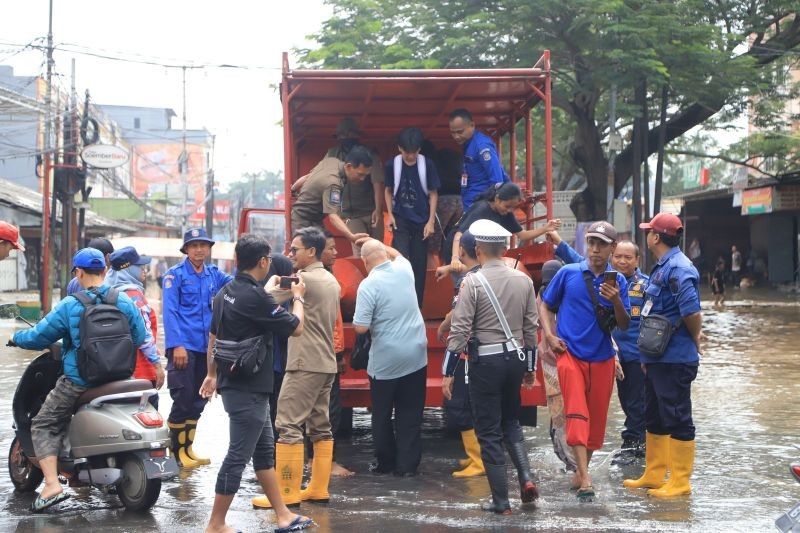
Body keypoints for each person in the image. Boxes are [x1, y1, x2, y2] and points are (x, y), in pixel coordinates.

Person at [11, 248, 146, 512]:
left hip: (80, 381)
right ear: (105, 271)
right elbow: (139, 338)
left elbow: (39, 336)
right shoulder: (124, 301)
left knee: (43, 423)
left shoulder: (71, 304)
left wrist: (16, 338)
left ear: (78, 272)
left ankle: (51, 485)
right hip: (121, 378)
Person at [199, 234, 313, 533]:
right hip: (248, 390)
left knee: (263, 454)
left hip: (239, 385)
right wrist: (298, 296)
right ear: (263, 261)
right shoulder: (257, 297)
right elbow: (297, 328)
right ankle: (216, 523)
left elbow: (213, 338)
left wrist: (212, 374)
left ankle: (283, 514)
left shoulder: (225, 292)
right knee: (238, 455)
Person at [443, 219, 539, 514]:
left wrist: (448, 371)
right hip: (515, 360)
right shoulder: (523, 280)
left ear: (480, 248)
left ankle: (501, 500)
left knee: (488, 430)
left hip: (486, 362)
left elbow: (459, 330)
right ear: (504, 247)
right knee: (510, 420)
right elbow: (531, 328)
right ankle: (525, 477)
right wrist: (530, 367)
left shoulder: (472, 281)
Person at [540, 221, 630, 501]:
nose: (595, 250)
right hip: (570, 356)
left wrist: (615, 301)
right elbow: (545, 304)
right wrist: (550, 335)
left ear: (612, 249)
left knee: (597, 421)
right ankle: (586, 477)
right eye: (591, 243)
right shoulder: (568, 273)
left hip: (603, 358)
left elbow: (624, 326)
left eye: (601, 245)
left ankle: (581, 470)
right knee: (576, 412)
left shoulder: (620, 282)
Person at [253, 227, 339, 509]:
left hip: (304, 363)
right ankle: (317, 488)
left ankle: (287, 491)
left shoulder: (301, 280)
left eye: (295, 250)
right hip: (326, 362)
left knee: (287, 424)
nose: (290, 254)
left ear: (311, 251)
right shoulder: (330, 279)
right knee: (320, 426)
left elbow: (263, 302)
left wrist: (273, 283)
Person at [548, 230, 649, 465]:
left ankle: (634, 447)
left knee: (632, 405)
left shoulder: (641, 286)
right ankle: (582, 468)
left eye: (628, 257)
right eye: (620, 257)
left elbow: (633, 322)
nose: (623, 261)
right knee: (581, 407)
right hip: (603, 353)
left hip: (632, 355)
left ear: (637, 261)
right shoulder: (581, 275)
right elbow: (576, 265)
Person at [624, 212, 702, 498]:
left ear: (656, 237)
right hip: (656, 357)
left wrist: (695, 338)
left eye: (649, 231)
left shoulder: (680, 268)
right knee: (653, 415)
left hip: (675, 358)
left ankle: (680, 480)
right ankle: (655, 474)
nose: (647, 234)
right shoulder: (662, 266)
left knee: (678, 416)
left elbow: (691, 311)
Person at [353, 238, 428, 477]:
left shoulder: (368, 285)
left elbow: (361, 328)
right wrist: (380, 245)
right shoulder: (405, 268)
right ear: (384, 254)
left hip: (386, 361)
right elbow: (397, 254)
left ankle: (386, 462)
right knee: (411, 413)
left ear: (365, 261)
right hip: (416, 355)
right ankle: (407, 467)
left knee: (383, 414)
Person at [162, 228, 232, 468]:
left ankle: (188, 450)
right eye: (194, 245)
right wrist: (176, 345)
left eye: (203, 245)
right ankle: (176, 453)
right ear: (186, 249)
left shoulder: (214, 275)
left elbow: (238, 284)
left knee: (199, 400)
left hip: (207, 348)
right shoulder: (175, 276)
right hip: (185, 347)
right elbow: (170, 312)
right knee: (182, 398)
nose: (199, 249)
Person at [436, 230, 485, 478]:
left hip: (467, 353)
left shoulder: (469, 281)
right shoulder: (485, 275)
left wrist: (444, 325)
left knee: (459, 405)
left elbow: (458, 315)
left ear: (463, 252)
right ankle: (475, 456)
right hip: (487, 352)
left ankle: (478, 461)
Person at [439, 182, 560, 278]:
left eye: (513, 208)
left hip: (478, 249)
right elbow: (459, 234)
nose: (509, 210)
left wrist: (546, 228)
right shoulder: (481, 209)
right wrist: (455, 258)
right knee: (464, 278)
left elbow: (522, 235)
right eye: (507, 206)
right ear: (497, 199)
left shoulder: (506, 214)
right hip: (459, 247)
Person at [384, 127, 441, 307]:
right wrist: (390, 215)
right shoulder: (392, 165)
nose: (411, 156)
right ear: (400, 149)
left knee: (419, 263)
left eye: (414, 152)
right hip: (401, 218)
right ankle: (400, 303)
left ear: (419, 150)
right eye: (407, 152)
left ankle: (416, 306)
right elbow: (388, 190)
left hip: (422, 220)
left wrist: (431, 221)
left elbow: (433, 193)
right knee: (401, 261)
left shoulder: (427, 164)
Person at [106, 246, 165, 407]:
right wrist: (158, 366)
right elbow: (145, 335)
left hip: (118, 373)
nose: (144, 271)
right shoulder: (134, 297)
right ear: (128, 269)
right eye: (140, 267)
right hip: (142, 372)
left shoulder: (109, 294)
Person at [290, 145, 373, 249]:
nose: (362, 179)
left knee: (326, 249)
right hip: (303, 219)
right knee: (305, 253)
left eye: (365, 175)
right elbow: (333, 216)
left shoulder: (331, 161)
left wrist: (292, 189)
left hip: (315, 219)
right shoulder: (333, 183)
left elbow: (307, 177)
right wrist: (351, 237)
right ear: (348, 166)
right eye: (360, 174)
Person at [327, 117, 386, 246]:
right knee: (360, 248)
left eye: (350, 135)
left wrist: (377, 209)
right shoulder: (333, 154)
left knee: (377, 247)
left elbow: (377, 183)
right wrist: (337, 211)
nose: (346, 138)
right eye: (343, 135)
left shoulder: (368, 155)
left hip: (370, 211)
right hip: (350, 214)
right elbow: (328, 180)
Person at [448, 108, 509, 210]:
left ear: (472, 125)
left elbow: (497, 179)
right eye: (453, 133)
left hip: (482, 206)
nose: (456, 136)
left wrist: (493, 207)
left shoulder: (482, 146)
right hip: (471, 204)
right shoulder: (467, 145)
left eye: (460, 132)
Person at [421, 140, 463, 258]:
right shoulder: (452, 155)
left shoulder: (429, 162)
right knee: (449, 242)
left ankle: (432, 275)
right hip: (460, 200)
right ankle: (449, 273)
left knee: (429, 245)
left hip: (442, 200)